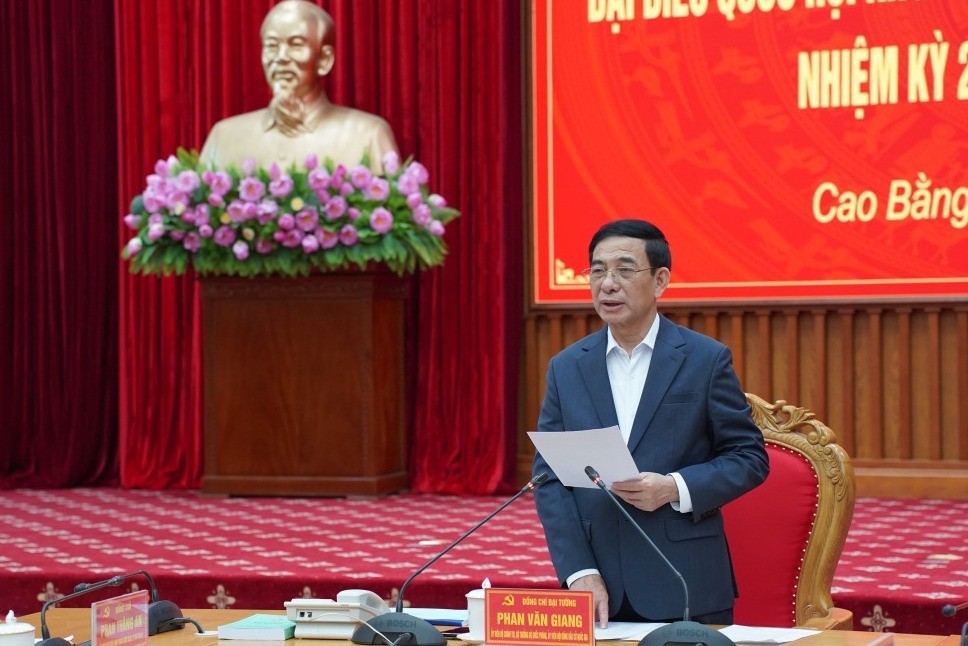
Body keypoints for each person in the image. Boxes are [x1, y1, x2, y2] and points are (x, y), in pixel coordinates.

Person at [532, 219, 770, 628]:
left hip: (684, 584)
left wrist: (673, 487)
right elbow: (550, 480)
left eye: (625, 270)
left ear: (660, 281)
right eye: (597, 270)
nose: (607, 284)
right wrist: (578, 572)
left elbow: (749, 458)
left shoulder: (705, 360)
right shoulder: (567, 368)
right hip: (596, 588)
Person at [199, 0, 398, 173]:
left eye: (296, 44)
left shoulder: (368, 135)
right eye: (272, 45)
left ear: (324, 59)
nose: (281, 57)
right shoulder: (224, 136)